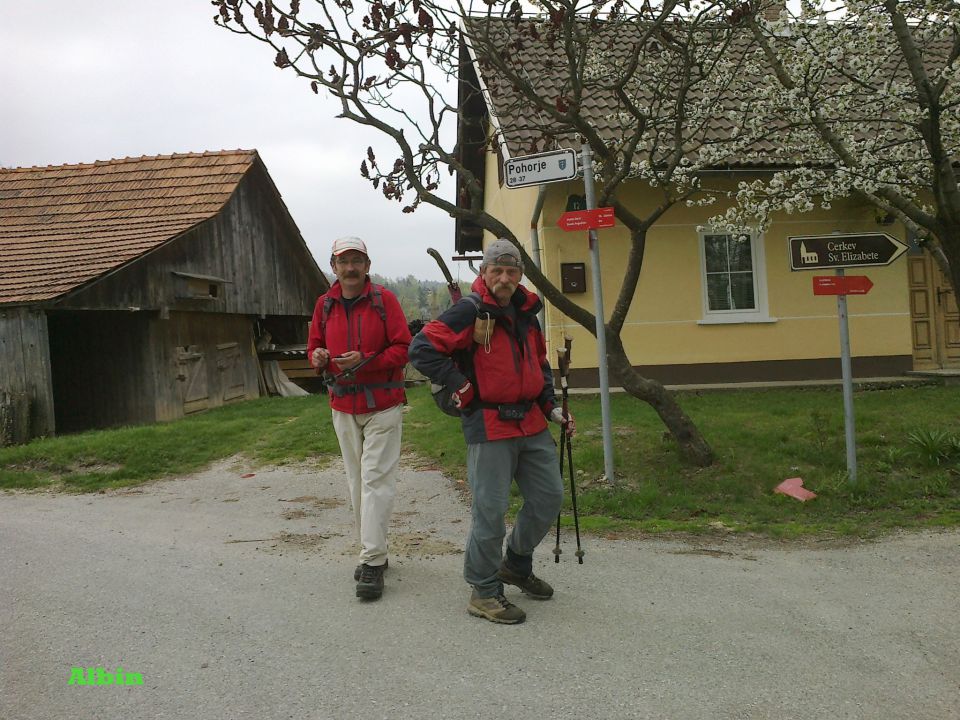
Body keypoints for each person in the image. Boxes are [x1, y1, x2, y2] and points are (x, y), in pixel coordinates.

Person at [409, 238, 575, 624]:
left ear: (519, 275)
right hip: (488, 423)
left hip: (531, 423)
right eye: (496, 270)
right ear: (483, 273)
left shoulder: (526, 315)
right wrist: (459, 384)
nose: (504, 277)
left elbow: (537, 364)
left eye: (511, 271)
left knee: (549, 497)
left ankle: (515, 564)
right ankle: (483, 591)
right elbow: (421, 349)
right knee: (491, 511)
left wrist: (551, 407)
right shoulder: (469, 311)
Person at [307, 236, 411, 601]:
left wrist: (365, 359)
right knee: (356, 483)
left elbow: (403, 347)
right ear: (333, 267)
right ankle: (374, 550)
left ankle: (371, 561)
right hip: (342, 404)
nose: (350, 268)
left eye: (357, 261)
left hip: (383, 403)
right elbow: (313, 347)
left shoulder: (385, 302)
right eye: (343, 262)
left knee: (375, 480)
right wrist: (319, 357)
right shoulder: (324, 305)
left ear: (367, 265)